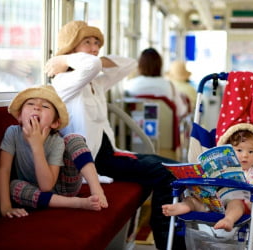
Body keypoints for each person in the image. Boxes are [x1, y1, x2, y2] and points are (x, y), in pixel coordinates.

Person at [45, 21, 185, 249]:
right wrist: (66, 59)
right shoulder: (65, 81)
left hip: (111, 155)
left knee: (178, 169)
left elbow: (129, 64)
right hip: (92, 163)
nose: (94, 48)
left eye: (97, 43)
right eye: (87, 42)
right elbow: (90, 65)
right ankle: (169, 245)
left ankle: (170, 241)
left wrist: (65, 58)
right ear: (70, 47)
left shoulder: (95, 84)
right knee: (168, 175)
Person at [0, 85, 108, 218]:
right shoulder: (12, 133)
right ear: (20, 116)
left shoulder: (56, 141)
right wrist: (6, 207)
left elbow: (47, 186)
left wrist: (37, 145)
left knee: (73, 138)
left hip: (63, 187)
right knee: (14, 186)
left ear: (55, 123)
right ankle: (77, 203)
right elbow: (4, 170)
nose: (37, 107)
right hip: (34, 191)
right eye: (30, 103)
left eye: (45, 106)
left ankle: (96, 189)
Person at [162, 124, 253, 232]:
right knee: (192, 200)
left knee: (236, 204)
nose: (245, 155)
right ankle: (183, 206)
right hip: (211, 203)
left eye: (251, 151)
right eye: (239, 150)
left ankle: (228, 220)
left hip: (233, 206)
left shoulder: (251, 174)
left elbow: (251, 195)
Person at [124, 48, 188, 117]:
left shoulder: (130, 85)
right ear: (160, 65)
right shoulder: (170, 86)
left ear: (139, 65)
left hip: (134, 127)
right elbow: (181, 111)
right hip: (165, 127)